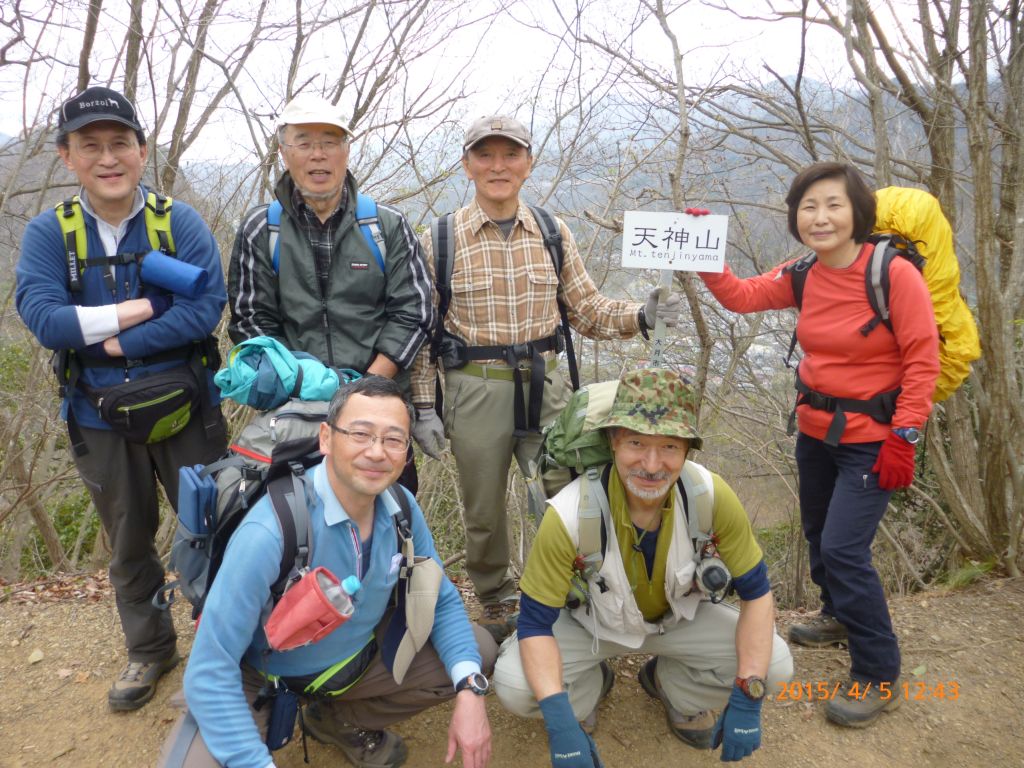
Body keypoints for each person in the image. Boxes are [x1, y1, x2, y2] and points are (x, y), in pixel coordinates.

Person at [409, 115, 683, 641]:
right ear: (467, 165)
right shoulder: (439, 240)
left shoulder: (553, 232)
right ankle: (495, 600)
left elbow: (587, 309)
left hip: (548, 384)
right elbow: (423, 333)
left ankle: (568, 587)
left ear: (528, 164)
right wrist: (424, 407)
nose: (498, 167)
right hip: (475, 386)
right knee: (483, 506)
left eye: (510, 155)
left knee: (570, 495)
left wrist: (642, 316)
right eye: (484, 156)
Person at [698, 161, 940, 727]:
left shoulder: (892, 273)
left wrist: (905, 437)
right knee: (817, 534)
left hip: (873, 440)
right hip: (815, 431)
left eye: (833, 204)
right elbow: (742, 296)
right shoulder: (804, 271)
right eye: (809, 206)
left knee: (844, 550)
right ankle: (837, 614)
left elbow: (922, 359)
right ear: (795, 218)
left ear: (858, 210)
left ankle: (878, 671)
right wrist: (705, 254)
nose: (821, 216)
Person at [15, 85, 227, 711]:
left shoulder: (175, 221)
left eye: (120, 143)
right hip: (98, 414)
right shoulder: (49, 233)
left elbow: (206, 309)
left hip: (185, 403)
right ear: (67, 157)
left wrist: (101, 338)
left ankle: (223, 647)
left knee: (211, 530)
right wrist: (141, 310)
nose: (108, 158)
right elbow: (45, 319)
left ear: (140, 151)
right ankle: (150, 651)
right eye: (91, 146)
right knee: (129, 538)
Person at [159, 376, 496, 768]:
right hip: (262, 675)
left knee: (476, 652)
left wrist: (471, 691)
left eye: (393, 439)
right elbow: (210, 667)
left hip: (357, 660)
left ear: (406, 451)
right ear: (325, 439)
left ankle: (336, 719)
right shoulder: (270, 531)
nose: (376, 452)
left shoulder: (401, 507)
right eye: (360, 433)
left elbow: (439, 599)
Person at [492, 367, 793, 765]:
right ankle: (589, 690)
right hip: (591, 626)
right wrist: (561, 723)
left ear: (686, 450)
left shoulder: (708, 495)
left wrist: (749, 694)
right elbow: (533, 624)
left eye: (669, 446)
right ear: (613, 442)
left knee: (773, 666)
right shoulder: (568, 513)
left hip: (680, 622)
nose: (651, 465)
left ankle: (669, 684)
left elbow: (757, 594)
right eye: (636, 442)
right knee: (516, 685)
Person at [228, 93, 434, 493]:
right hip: (293, 411)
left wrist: (367, 388)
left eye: (329, 142)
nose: (317, 155)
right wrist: (299, 379)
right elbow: (251, 319)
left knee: (391, 524)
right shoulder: (262, 229)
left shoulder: (385, 226)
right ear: (285, 153)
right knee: (300, 524)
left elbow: (415, 311)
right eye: (304, 143)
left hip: (379, 409)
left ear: (346, 151)